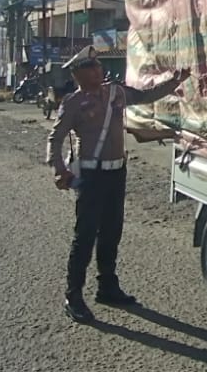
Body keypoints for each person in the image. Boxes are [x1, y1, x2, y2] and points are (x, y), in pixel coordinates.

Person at [45, 45, 190, 323]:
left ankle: (107, 286)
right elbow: (55, 138)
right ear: (79, 74)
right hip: (91, 176)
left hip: (116, 173)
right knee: (85, 236)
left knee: (112, 232)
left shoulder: (116, 93)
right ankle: (73, 296)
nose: (99, 70)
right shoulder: (73, 103)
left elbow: (148, 96)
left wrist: (175, 81)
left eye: (98, 66)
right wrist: (59, 169)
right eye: (93, 67)